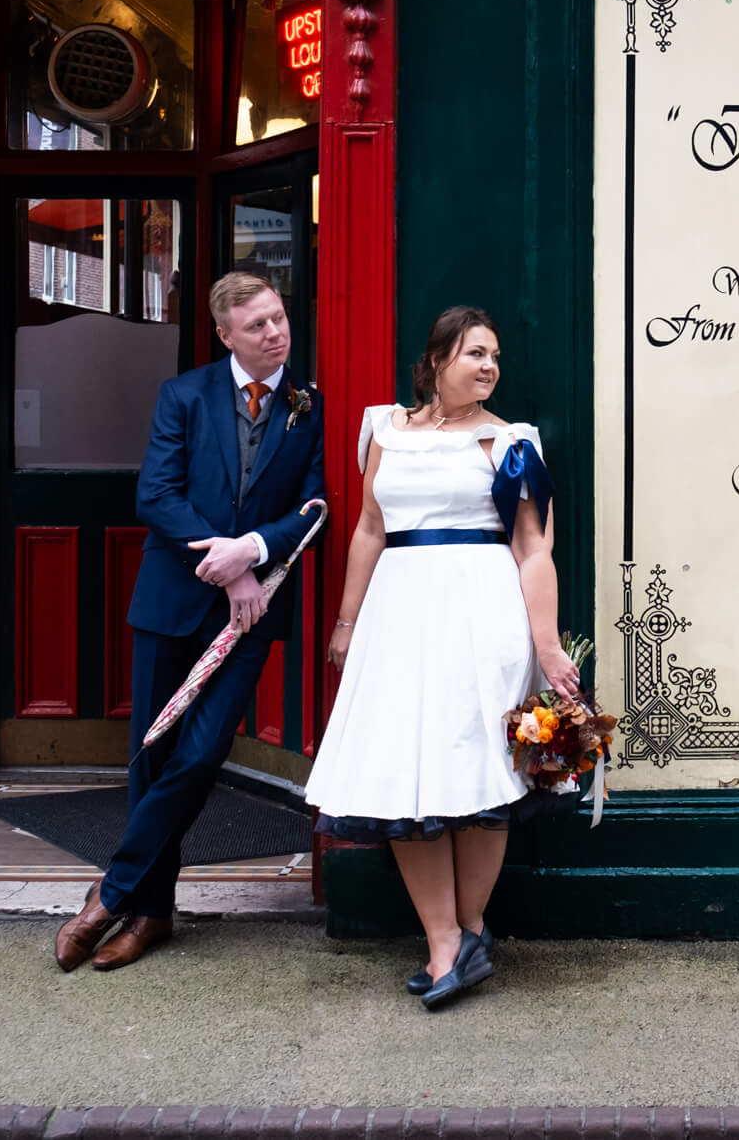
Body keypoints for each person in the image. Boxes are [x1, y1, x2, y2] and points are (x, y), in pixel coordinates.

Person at [52, 271, 328, 973]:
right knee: (152, 756)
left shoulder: (308, 404)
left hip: (250, 615)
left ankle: (109, 892)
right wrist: (229, 564)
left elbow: (313, 505)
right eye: (258, 324)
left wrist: (256, 551)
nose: (276, 331)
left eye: (279, 317)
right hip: (176, 601)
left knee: (202, 755)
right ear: (226, 334)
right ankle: (153, 913)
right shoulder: (184, 395)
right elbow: (157, 493)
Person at [303, 305, 577, 1009]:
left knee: (477, 770)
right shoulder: (384, 431)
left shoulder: (510, 442)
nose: (488, 366)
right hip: (397, 616)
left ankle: (473, 928)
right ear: (434, 362)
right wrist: (346, 619)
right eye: (473, 353)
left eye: (494, 356)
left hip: (482, 615)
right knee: (405, 776)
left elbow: (534, 548)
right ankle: (444, 940)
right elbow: (367, 527)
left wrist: (547, 647)